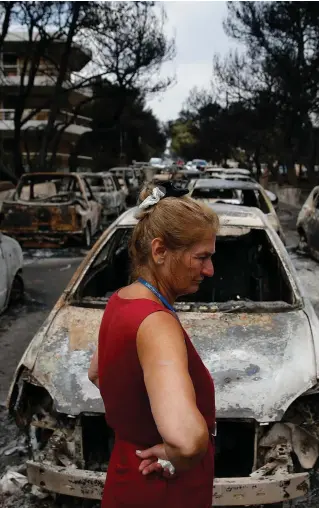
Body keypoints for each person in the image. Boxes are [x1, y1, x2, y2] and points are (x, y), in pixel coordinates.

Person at [88, 182, 219, 508]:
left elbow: (96, 373)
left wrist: (138, 420)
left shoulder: (121, 300)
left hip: (128, 471)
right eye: (201, 257)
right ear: (159, 251)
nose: (210, 270)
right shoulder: (157, 323)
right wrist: (183, 455)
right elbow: (187, 440)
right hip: (163, 488)